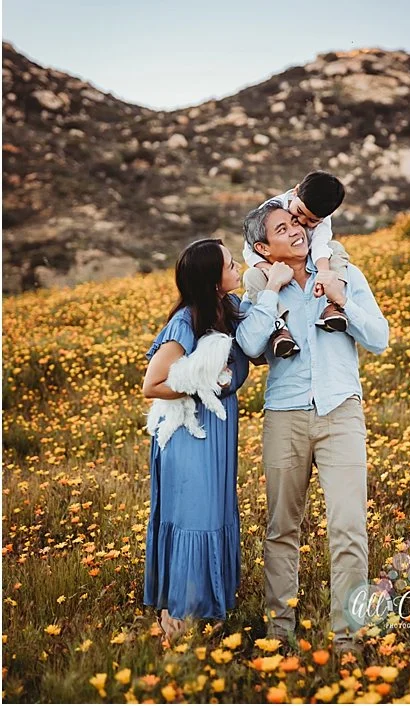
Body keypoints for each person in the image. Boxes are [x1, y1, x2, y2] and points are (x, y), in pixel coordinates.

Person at [235, 200, 390, 657]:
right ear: (263, 248)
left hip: (342, 411)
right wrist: (270, 293)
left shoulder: (345, 273)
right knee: (283, 527)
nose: (297, 232)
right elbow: (248, 345)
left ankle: (348, 640)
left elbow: (379, 338)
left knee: (349, 527)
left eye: (296, 224)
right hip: (285, 415)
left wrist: (342, 300)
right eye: (282, 230)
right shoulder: (261, 285)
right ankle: (278, 636)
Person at [142, 238, 252, 642]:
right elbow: (152, 385)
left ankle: (207, 605)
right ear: (213, 281)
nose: (236, 265)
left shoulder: (229, 311)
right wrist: (201, 381)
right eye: (229, 263)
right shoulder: (185, 322)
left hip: (217, 431)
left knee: (214, 513)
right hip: (190, 435)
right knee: (196, 517)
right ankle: (180, 610)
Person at [242, 171, 355, 358]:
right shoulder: (272, 208)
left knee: (336, 250)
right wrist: (270, 271)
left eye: (312, 221)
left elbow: (320, 246)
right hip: (277, 264)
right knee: (252, 276)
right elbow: (249, 249)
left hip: (310, 262)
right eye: (299, 214)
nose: (302, 223)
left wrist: (324, 275)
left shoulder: (324, 222)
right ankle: (279, 329)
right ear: (295, 192)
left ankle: (333, 305)